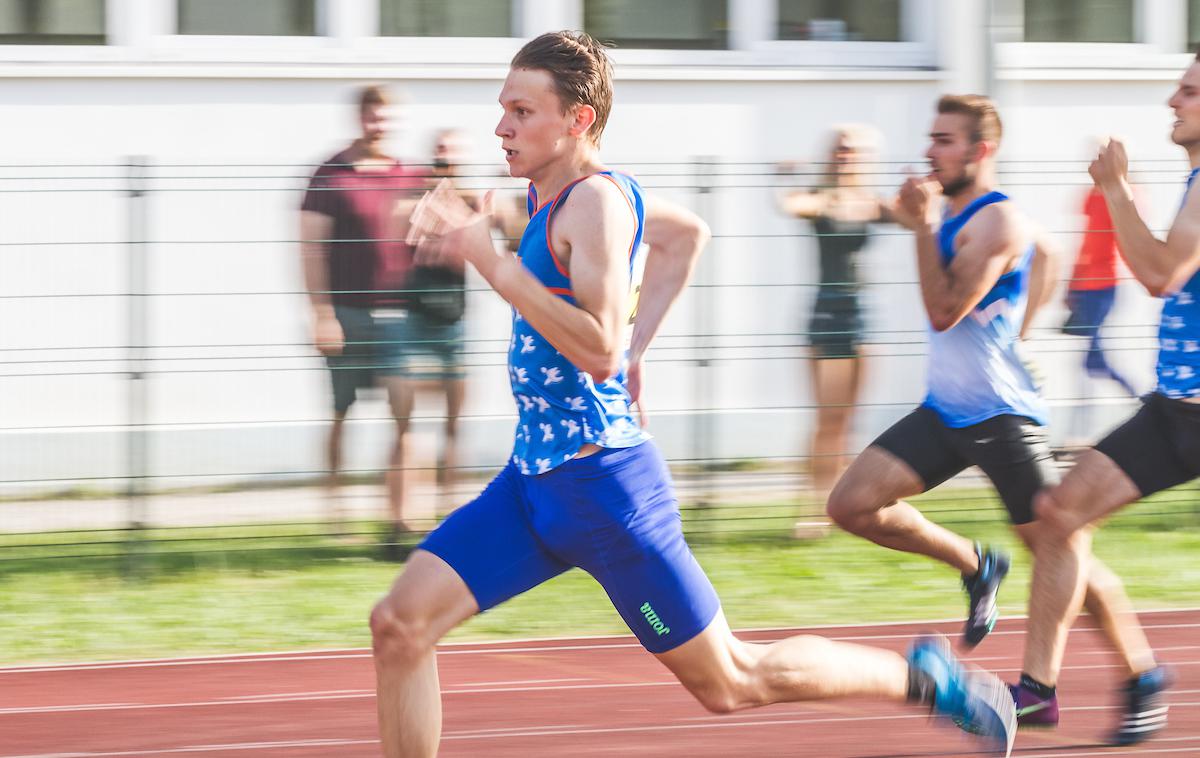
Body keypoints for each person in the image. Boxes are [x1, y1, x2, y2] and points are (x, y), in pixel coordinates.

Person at [368, 32, 1017, 758]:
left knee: (730, 681)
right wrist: (639, 346)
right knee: (399, 625)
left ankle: (923, 680)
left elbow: (598, 346)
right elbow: (686, 236)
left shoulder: (598, 204)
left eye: (522, 110)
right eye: (503, 109)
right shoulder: (552, 198)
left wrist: (493, 262)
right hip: (532, 485)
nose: (502, 127)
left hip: (606, 492)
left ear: (579, 119)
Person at [825, 95, 1160, 701]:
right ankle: (977, 564)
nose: (930, 149)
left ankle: (1141, 674)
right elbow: (1048, 253)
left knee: (1063, 549)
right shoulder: (951, 211)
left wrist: (925, 227)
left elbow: (945, 309)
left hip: (1002, 418)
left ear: (980, 151)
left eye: (944, 140)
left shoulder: (998, 221)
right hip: (945, 410)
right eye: (930, 137)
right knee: (851, 505)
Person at [1014, 57, 1200, 747]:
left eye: (1189, 90)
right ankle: (1039, 693)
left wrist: (1118, 188)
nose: (1171, 100)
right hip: (1178, 408)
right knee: (1059, 514)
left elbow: (1158, 273)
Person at [300, 84, 423, 551]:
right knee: (340, 414)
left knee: (404, 417)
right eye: (372, 116)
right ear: (359, 118)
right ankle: (336, 515)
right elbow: (310, 249)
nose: (379, 124)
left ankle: (400, 518)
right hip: (346, 314)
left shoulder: (410, 175)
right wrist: (321, 314)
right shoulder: (329, 175)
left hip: (398, 316)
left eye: (387, 117)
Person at [777, 126, 889, 537]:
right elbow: (791, 205)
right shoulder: (822, 198)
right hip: (828, 315)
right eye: (840, 149)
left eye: (854, 151)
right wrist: (788, 176)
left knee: (850, 420)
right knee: (828, 421)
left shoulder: (871, 200)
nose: (846, 156)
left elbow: (914, 216)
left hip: (863, 314)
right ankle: (811, 508)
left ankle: (841, 507)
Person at [397, 129, 476, 518]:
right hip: (415, 322)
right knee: (407, 422)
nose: (445, 161)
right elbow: (411, 238)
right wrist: (448, 231)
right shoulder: (414, 198)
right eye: (440, 153)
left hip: (454, 324)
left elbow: (464, 254)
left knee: (453, 422)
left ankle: (449, 510)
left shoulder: (471, 201)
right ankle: (408, 516)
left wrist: (444, 229)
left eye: (452, 155)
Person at [1061, 165, 1139, 443]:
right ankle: (1084, 429)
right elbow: (1086, 244)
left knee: (1091, 360)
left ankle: (1140, 403)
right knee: (1090, 360)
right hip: (1087, 288)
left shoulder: (1121, 197)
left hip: (1104, 286)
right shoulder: (1091, 197)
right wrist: (1072, 284)